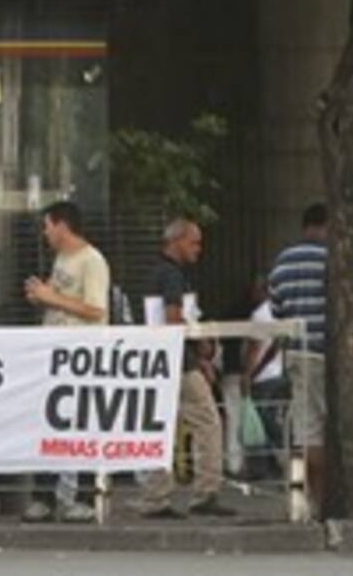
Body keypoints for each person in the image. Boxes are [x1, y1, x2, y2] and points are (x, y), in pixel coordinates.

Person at [139, 218, 234, 519]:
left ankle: (155, 496)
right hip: (178, 362)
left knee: (162, 427)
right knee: (208, 421)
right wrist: (200, 346)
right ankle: (206, 491)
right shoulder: (172, 276)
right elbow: (174, 319)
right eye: (194, 242)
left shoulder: (158, 272)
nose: (198, 249)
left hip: (159, 361)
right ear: (176, 241)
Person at [21, 201, 109, 524]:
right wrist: (44, 296)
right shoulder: (62, 259)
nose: (45, 233)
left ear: (61, 226)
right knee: (49, 423)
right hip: (55, 353)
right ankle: (45, 495)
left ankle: (83, 496)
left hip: (82, 355)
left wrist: (51, 297)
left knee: (82, 424)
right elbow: (62, 298)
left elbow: (96, 309)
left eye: (47, 226)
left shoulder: (92, 260)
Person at [268, 202, 329, 514]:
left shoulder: (282, 263)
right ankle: (323, 499)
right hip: (327, 351)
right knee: (320, 431)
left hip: (297, 352)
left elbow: (276, 312)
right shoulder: (332, 259)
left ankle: (309, 499)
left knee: (307, 428)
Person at [243, 277, 288, 480]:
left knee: (260, 423)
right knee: (272, 418)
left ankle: (261, 467)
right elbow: (279, 344)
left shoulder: (259, 315)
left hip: (262, 377)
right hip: (278, 373)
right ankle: (279, 462)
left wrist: (249, 374)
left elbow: (255, 348)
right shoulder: (278, 313)